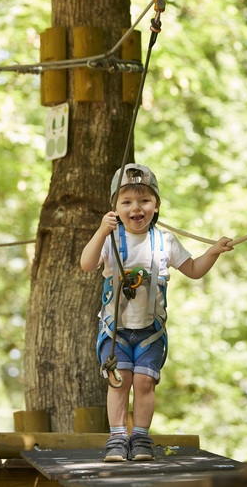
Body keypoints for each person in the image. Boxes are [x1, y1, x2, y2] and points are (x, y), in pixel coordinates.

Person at [80, 163, 233, 462]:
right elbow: (87, 263)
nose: (135, 208)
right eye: (126, 202)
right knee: (120, 379)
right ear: (115, 208)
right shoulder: (110, 240)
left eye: (144, 201)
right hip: (116, 329)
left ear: (156, 205)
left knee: (145, 382)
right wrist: (101, 230)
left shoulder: (165, 241)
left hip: (151, 330)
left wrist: (212, 252)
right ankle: (116, 438)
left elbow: (193, 270)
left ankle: (140, 438)